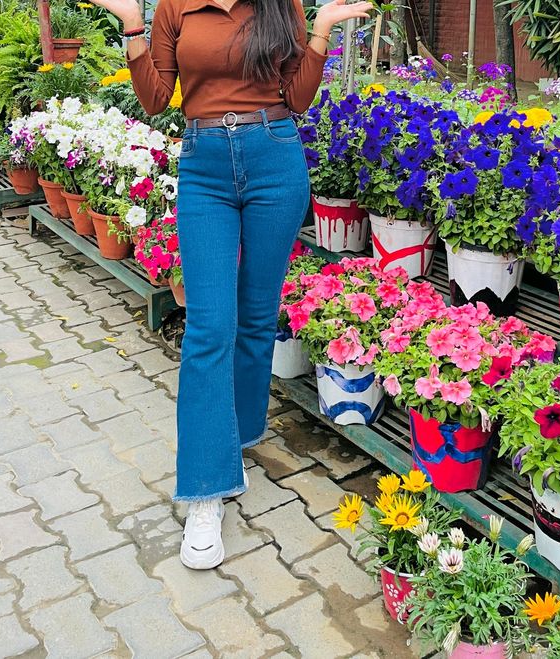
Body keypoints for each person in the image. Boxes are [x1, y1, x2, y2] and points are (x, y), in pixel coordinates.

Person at [88, 0, 373, 569]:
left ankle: (237, 438)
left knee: (257, 315)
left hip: (276, 159)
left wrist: (317, 33)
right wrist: (131, 24)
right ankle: (204, 489)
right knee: (209, 327)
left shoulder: (279, 4)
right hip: (204, 166)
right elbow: (153, 98)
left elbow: (295, 98)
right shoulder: (175, 6)